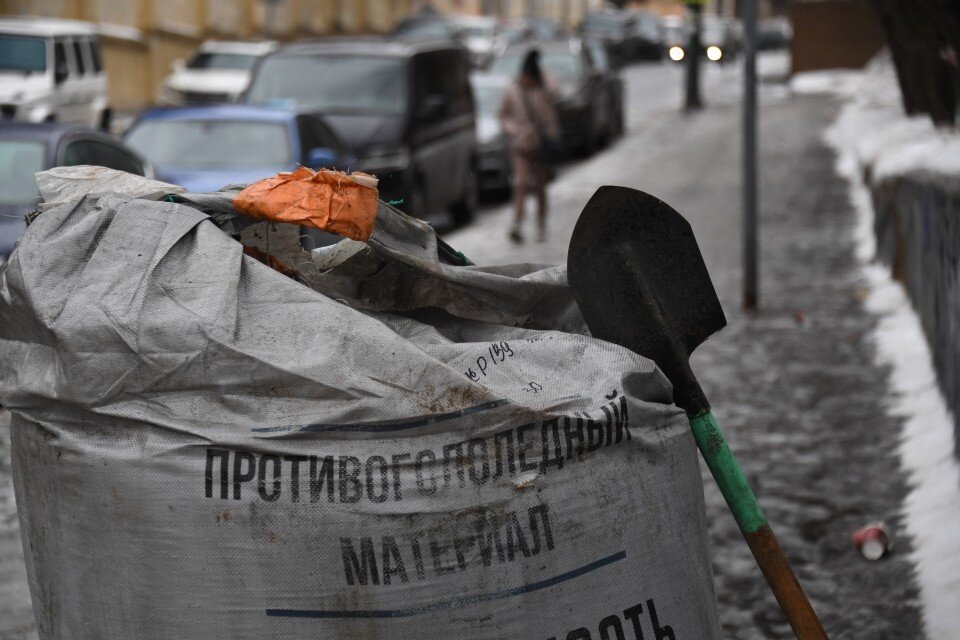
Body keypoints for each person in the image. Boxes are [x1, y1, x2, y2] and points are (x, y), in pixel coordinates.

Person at [498, 49, 560, 243]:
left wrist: (542, 73)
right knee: (521, 184)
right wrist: (513, 129)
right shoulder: (513, 91)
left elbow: (557, 92)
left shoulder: (543, 89)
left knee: (541, 188)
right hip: (521, 147)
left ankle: (541, 224)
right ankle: (517, 223)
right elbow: (503, 115)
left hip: (540, 146)